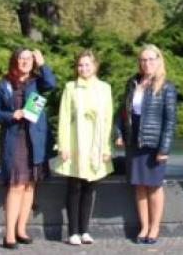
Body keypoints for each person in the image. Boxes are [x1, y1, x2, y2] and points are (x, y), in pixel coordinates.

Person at [0, 48, 58, 249]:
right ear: (14, 61)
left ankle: (21, 229)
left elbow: (51, 84)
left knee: (30, 186)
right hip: (14, 139)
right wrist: (11, 115)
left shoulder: (37, 82)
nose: (25, 62)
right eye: (21, 58)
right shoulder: (4, 84)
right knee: (16, 186)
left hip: (34, 139)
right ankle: (8, 234)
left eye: (29, 59)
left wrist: (43, 63)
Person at [118, 44, 177, 245]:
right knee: (139, 186)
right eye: (143, 60)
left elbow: (170, 121)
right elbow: (123, 111)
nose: (147, 63)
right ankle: (143, 225)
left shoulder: (167, 86)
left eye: (151, 59)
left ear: (159, 60)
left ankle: (154, 227)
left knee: (153, 186)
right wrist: (119, 132)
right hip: (134, 141)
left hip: (154, 143)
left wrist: (164, 148)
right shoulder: (132, 82)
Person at [55, 50, 114, 246]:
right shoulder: (70, 87)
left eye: (87, 65)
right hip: (75, 142)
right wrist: (62, 144)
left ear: (95, 66)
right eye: (80, 65)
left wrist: (106, 147)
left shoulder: (104, 88)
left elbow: (108, 119)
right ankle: (72, 231)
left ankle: (85, 230)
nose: (84, 68)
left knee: (90, 187)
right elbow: (63, 118)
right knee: (74, 187)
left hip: (95, 144)